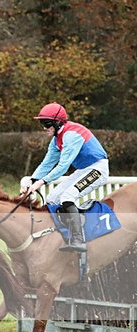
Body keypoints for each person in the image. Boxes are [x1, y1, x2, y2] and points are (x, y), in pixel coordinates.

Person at [20, 102, 109, 252]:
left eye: (46, 123)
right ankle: (61, 235)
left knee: (67, 197)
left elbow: (63, 166)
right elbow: (47, 163)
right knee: (52, 199)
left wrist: (40, 183)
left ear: (57, 122)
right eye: (42, 123)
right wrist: (31, 180)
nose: (44, 127)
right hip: (84, 170)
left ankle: (78, 239)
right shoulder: (56, 139)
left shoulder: (71, 135)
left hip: (97, 168)